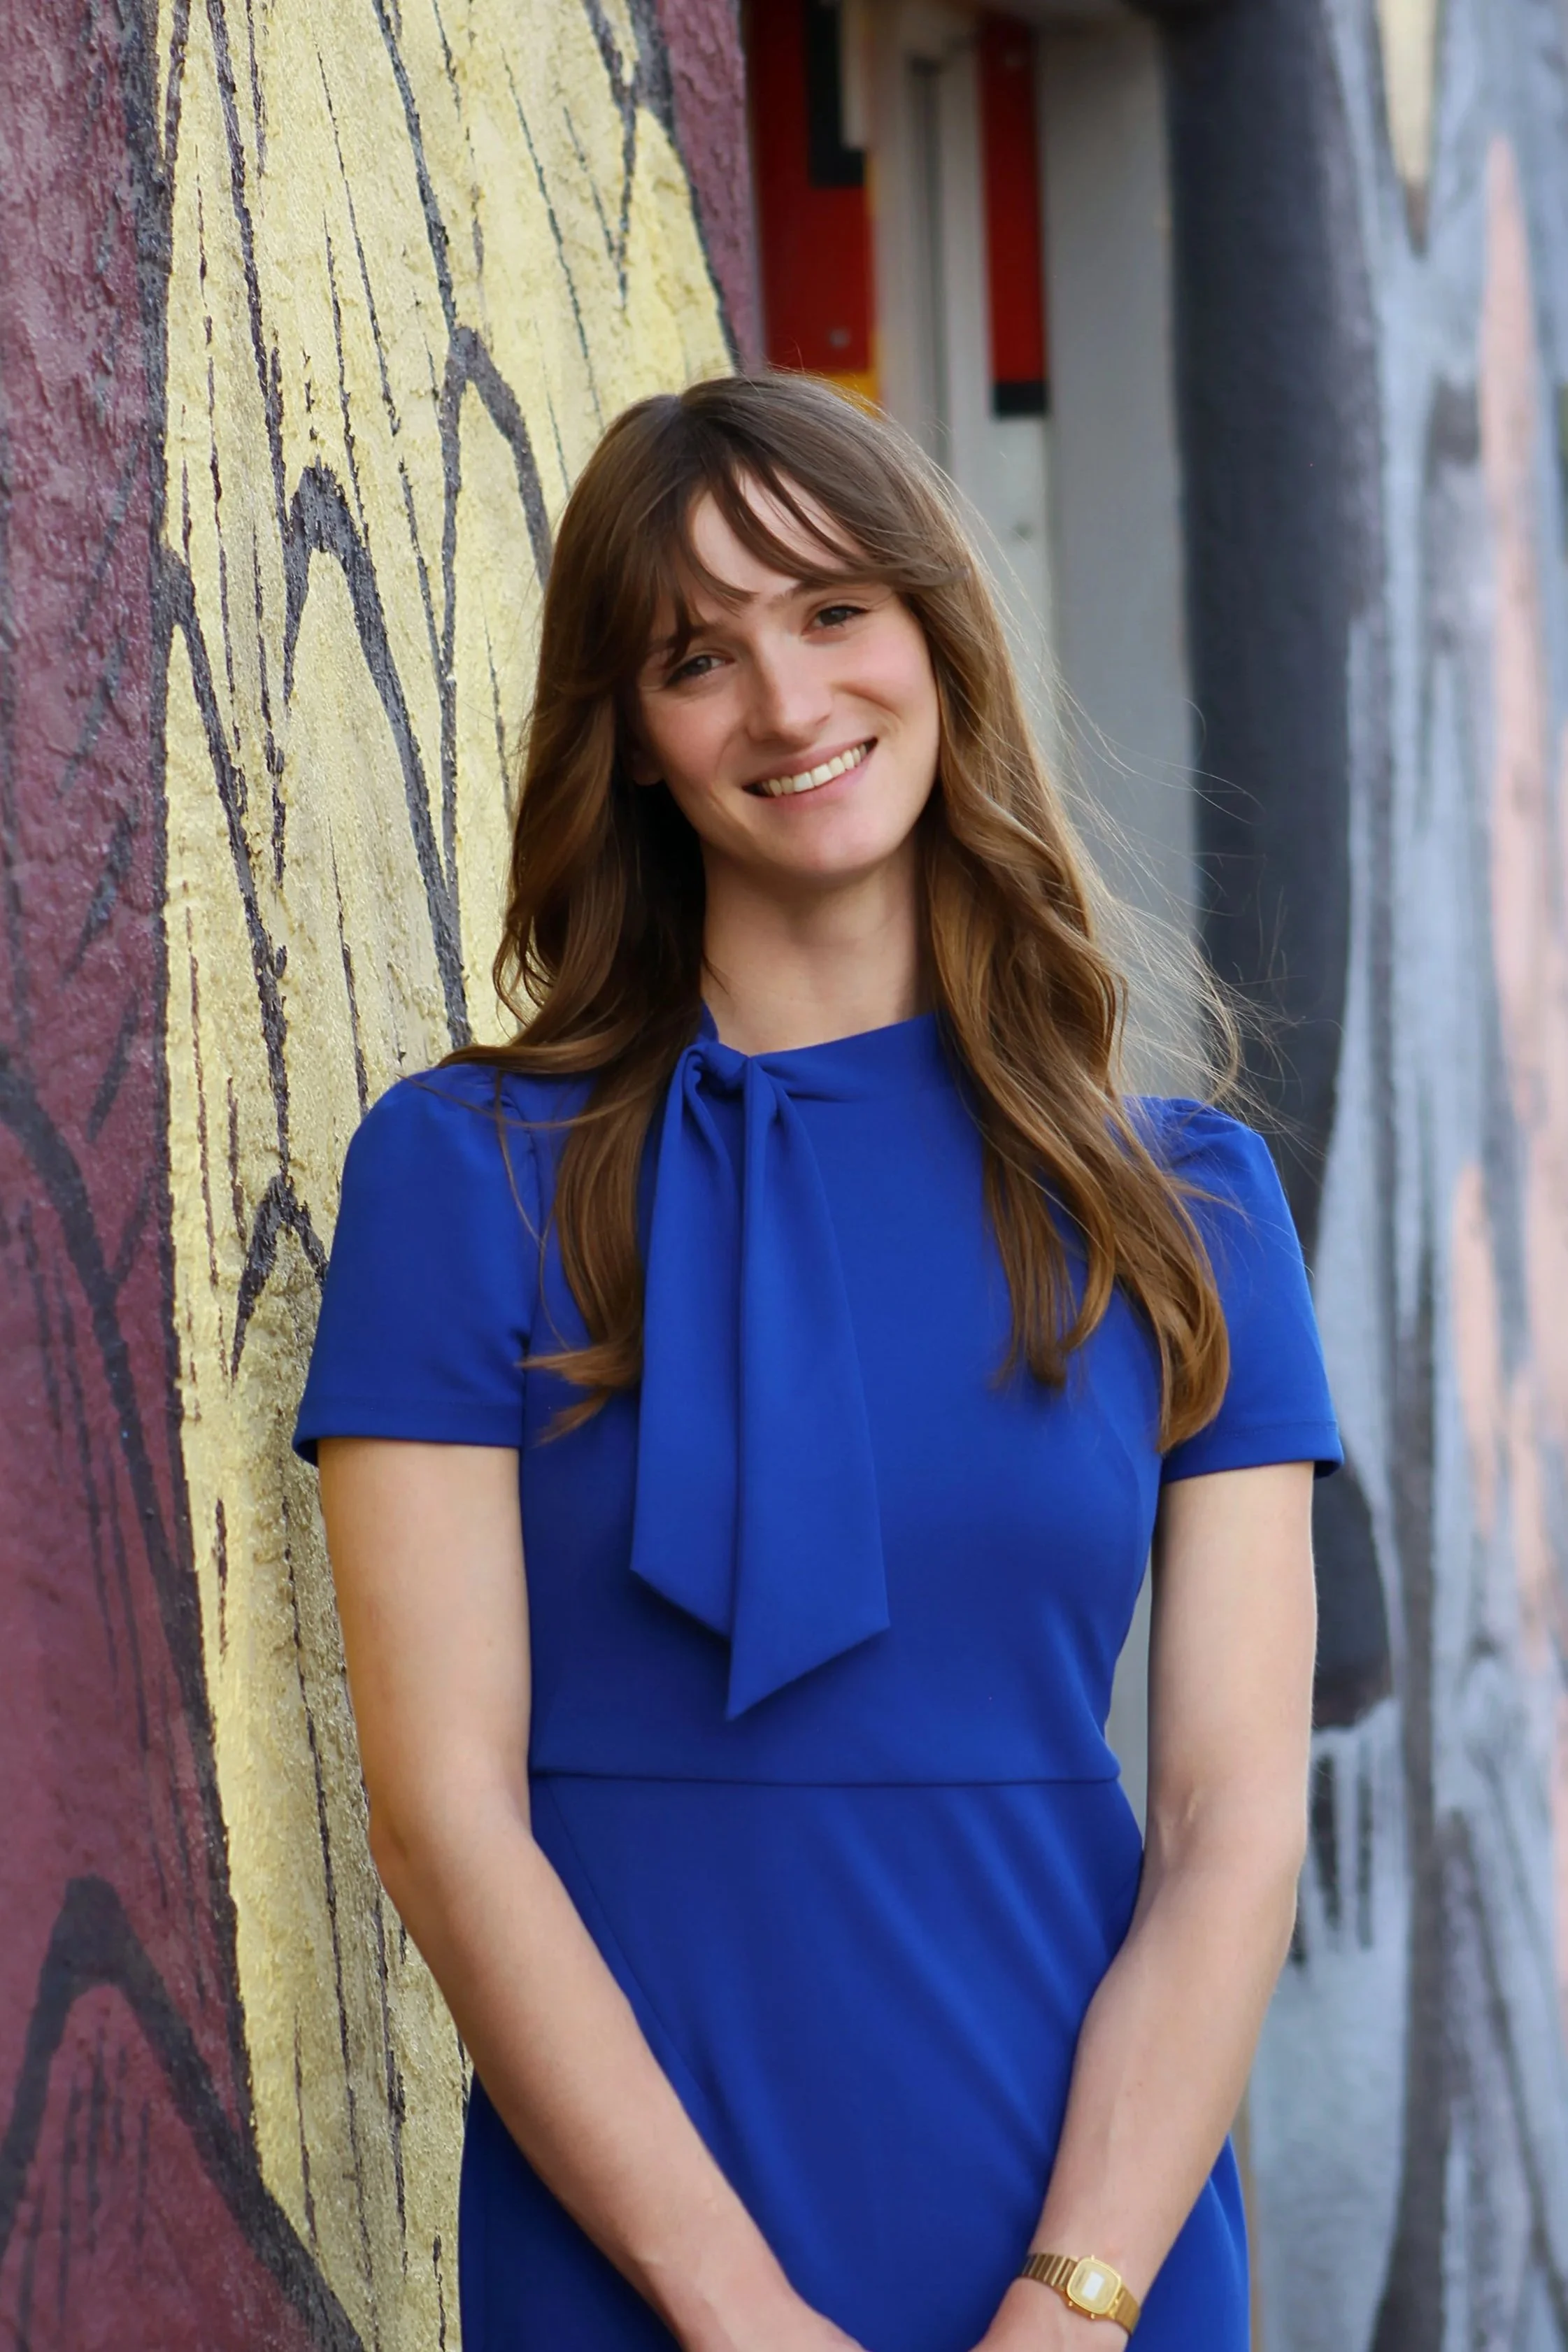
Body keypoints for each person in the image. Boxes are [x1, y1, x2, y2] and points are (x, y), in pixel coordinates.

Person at [293, 373, 1340, 2352]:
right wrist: (735, 2312)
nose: (786, 705)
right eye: (699, 654)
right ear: (634, 742)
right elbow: (442, 1810)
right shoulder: (462, 1179)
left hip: (1083, 2229)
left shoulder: (1186, 1207)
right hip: (637, 2261)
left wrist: (1078, 2295)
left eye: (834, 612)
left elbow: (1227, 1829)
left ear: (938, 637)